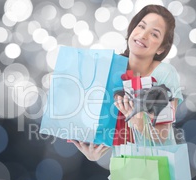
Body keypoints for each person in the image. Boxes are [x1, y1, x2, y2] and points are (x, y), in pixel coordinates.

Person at [70, 4, 183, 161]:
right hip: (124, 168)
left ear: (161, 48)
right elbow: (111, 130)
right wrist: (94, 152)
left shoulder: (165, 74)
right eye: (141, 26)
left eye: (154, 34)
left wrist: (137, 121)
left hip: (160, 167)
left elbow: (162, 135)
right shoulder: (111, 70)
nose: (143, 35)